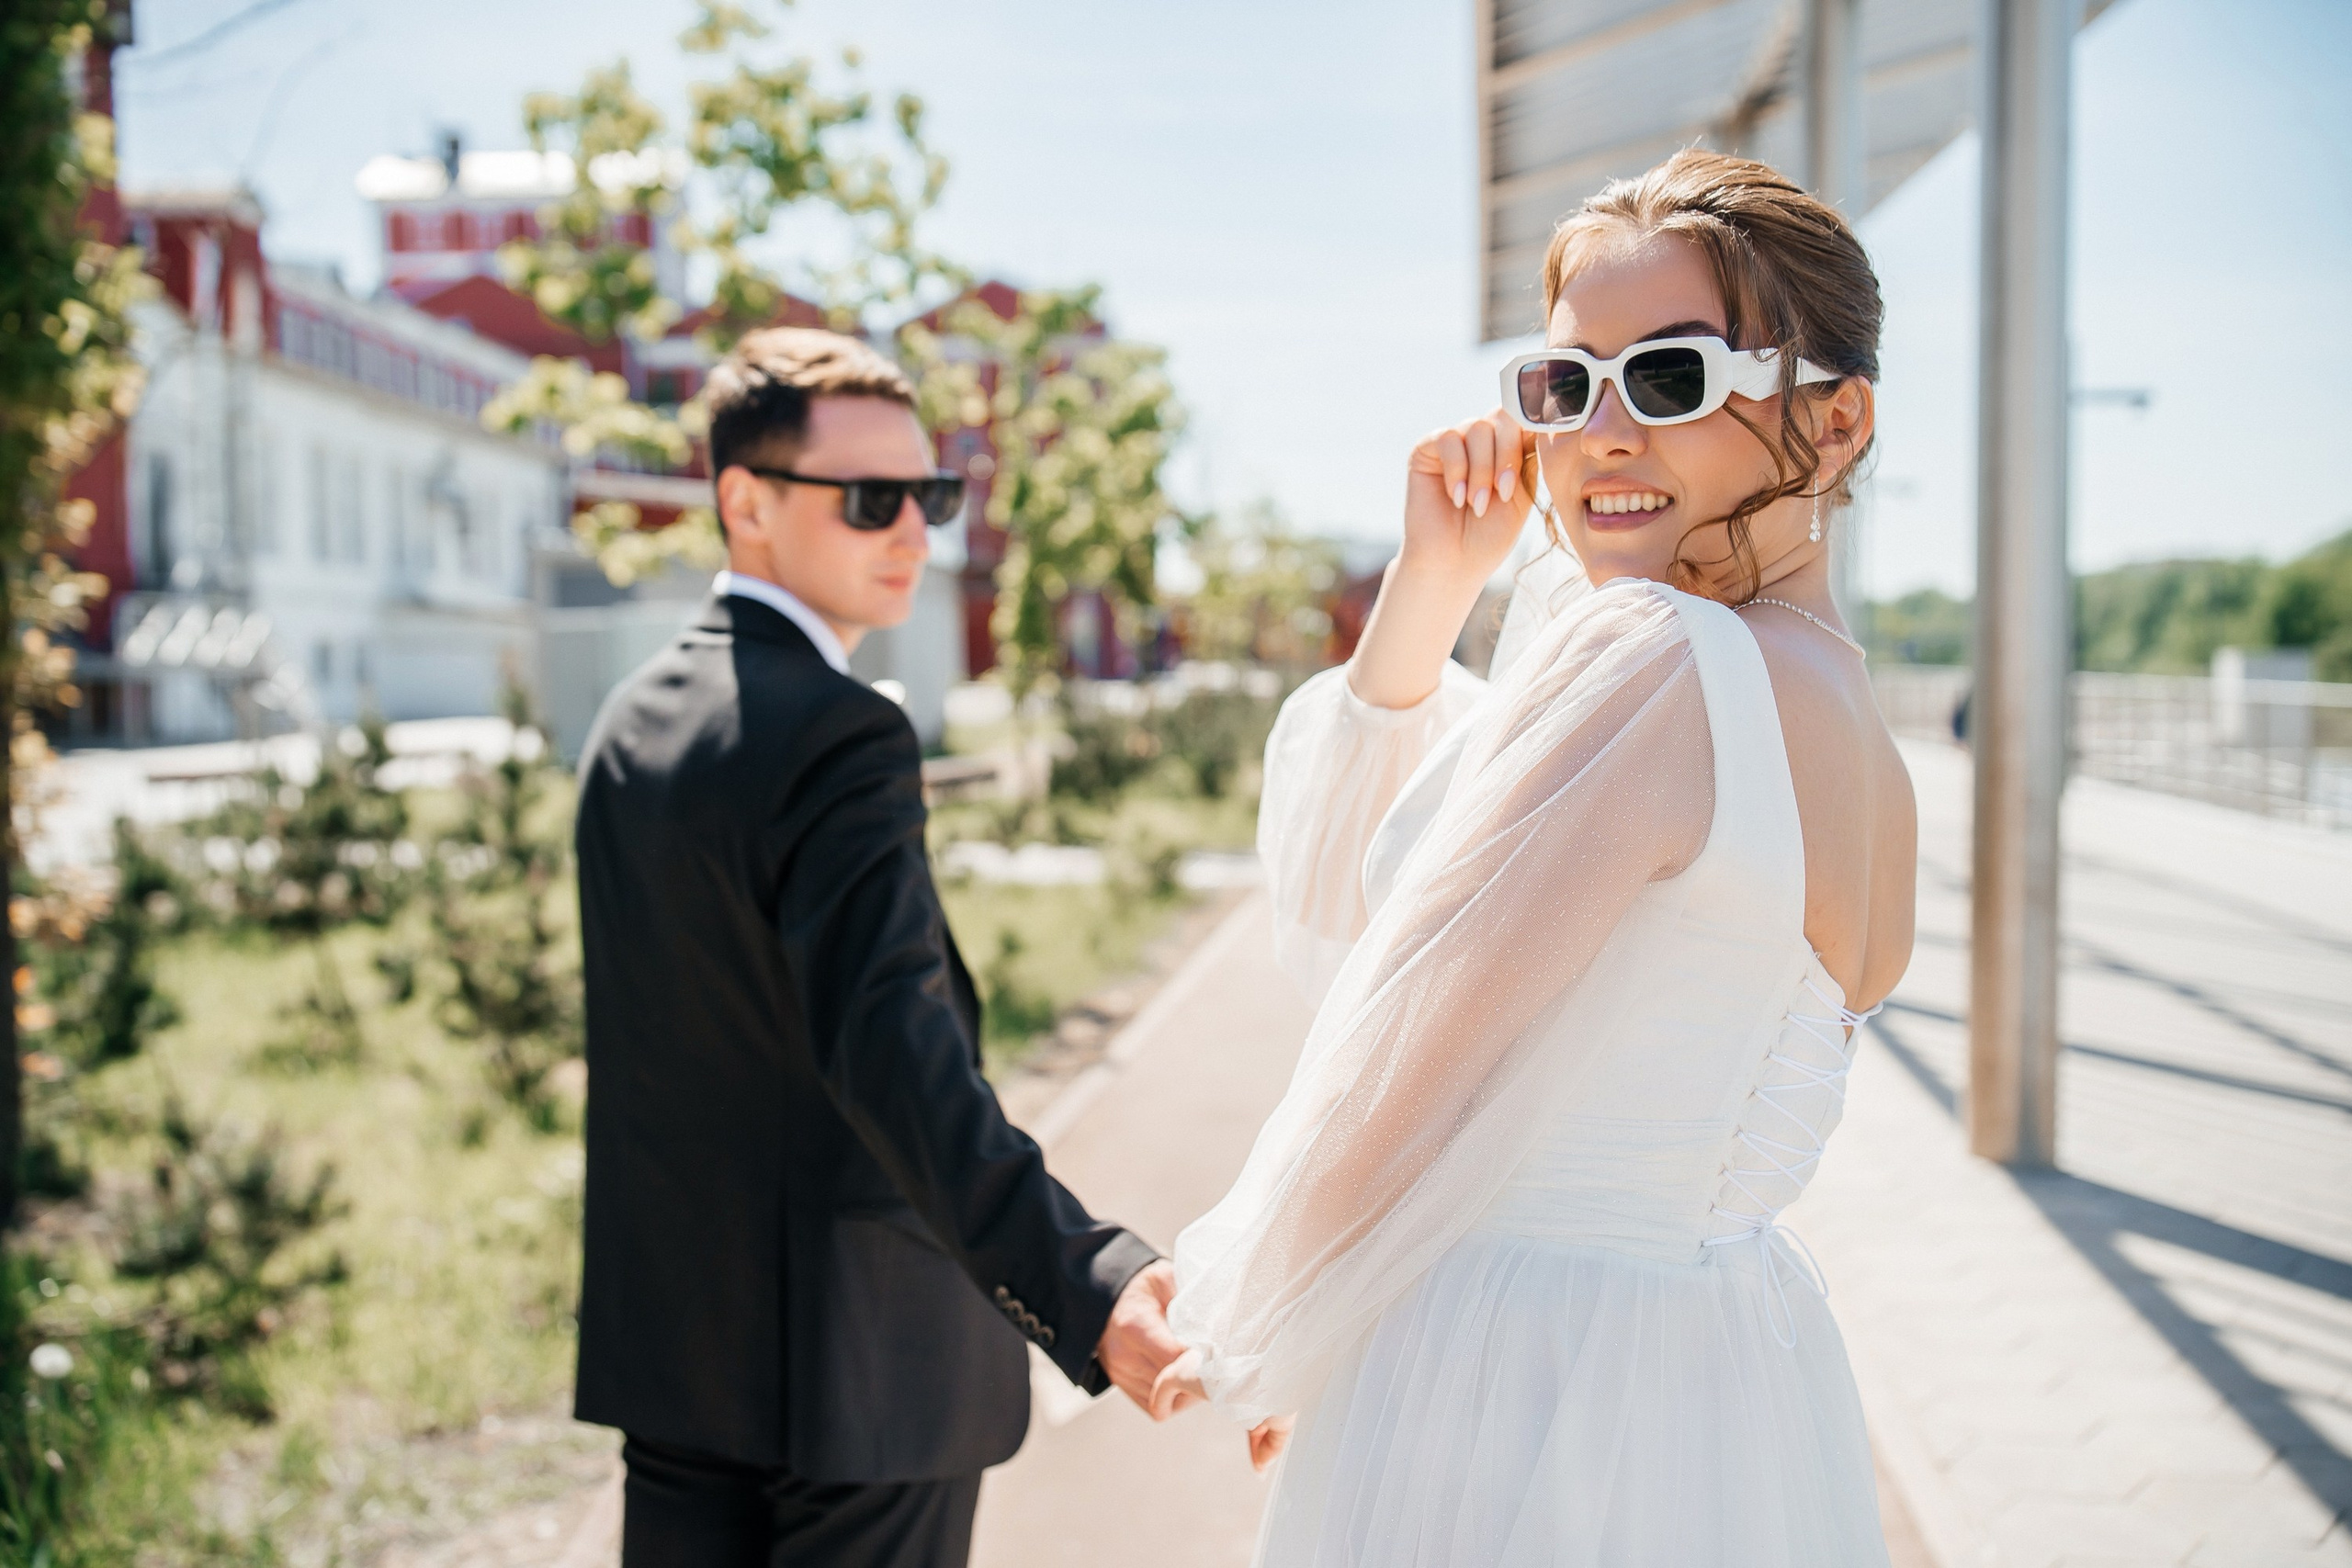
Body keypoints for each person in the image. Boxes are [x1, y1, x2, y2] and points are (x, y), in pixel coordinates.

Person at [1155, 149, 1918, 1566]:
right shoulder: (1854, 724)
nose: (1603, 433)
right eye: (1564, 386)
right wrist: (1439, 584)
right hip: (1727, 1376)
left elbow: (1410, 1037)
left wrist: (1266, 1316)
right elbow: (1389, 903)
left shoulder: (1663, 662)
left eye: (1673, 379)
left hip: (1510, 1374)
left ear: (1837, 422)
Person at [571, 327, 1184, 1567]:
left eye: (932, 495)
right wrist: (1087, 1281)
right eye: (869, 500)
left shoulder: (631, 724)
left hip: (680, 1358)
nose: (914, 530)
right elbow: (894, 1053)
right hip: (862, 1381)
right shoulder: (842, 732)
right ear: (744, 503)